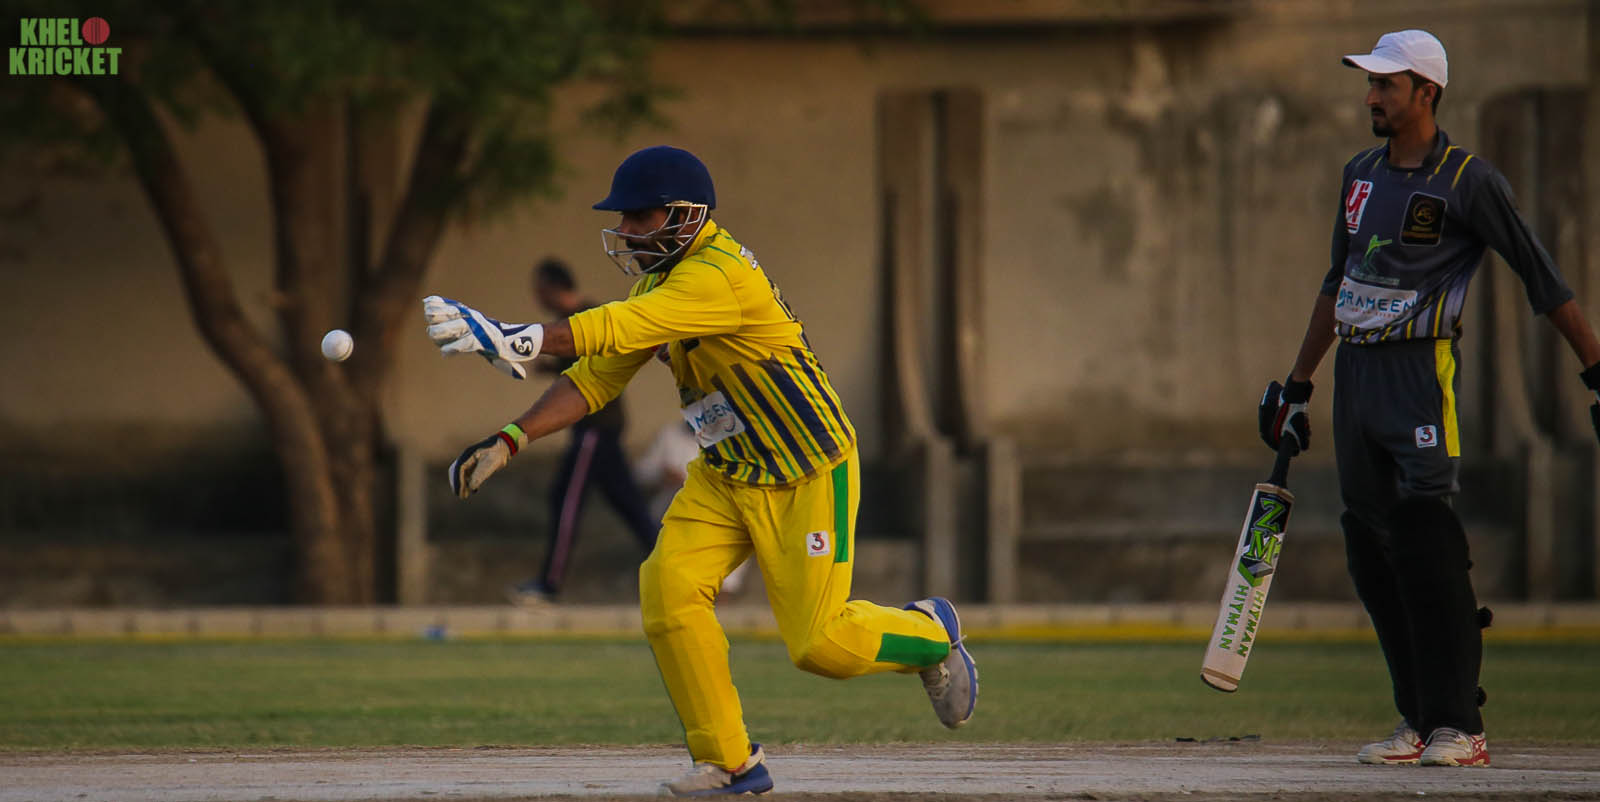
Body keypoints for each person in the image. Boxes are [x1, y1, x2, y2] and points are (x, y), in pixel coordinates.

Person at [422, 145, 976, 796]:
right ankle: (732, 762)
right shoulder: (657, 284)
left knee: (821, 646)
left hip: (807, 467)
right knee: (668, 592)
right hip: (727, 471)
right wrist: (511, 439)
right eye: (623, 217)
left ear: (686, 215)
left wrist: (516, 337)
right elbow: (596, 378)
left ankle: (932, 634)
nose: (626, 230)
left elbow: (619, 325)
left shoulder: (719, 274)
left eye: (640, 216)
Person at [1259, 30, 1600, 769]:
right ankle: (1416, 717)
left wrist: (1596, 371)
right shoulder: (1359, 174)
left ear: (1427, 93)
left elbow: (1542, 279)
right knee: (1369, 545)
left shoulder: (1468, 180)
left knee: (1425, 539)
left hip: (1421, 374)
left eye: (1386, 84)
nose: (1371, 96)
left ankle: (1460, 725)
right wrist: (1298, 385)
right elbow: (1336, 283)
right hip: (1356, 378)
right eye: (1370, 83)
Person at [504, 258, 660, 606]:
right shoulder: (573, 321)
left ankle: (549, 584)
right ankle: (678, 569)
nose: (537, 297)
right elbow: (576, 368)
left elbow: (591, 368)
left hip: (595, 429)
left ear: (553, 287)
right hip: (598, 431)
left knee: (567, 500)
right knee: (630, 507)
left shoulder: (586, 319)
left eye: (539, 290)